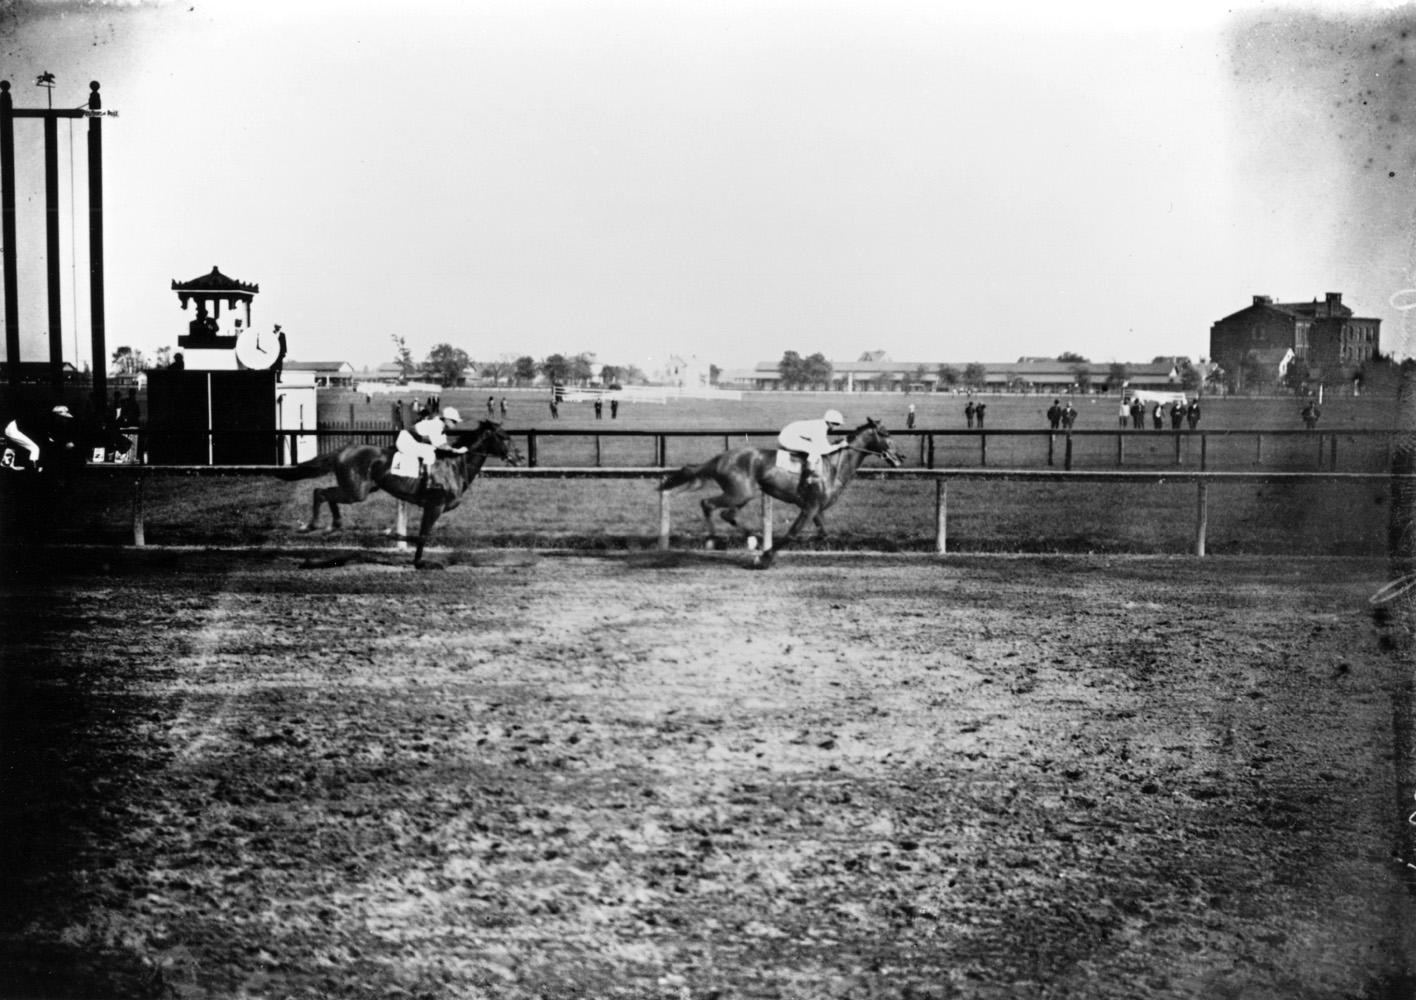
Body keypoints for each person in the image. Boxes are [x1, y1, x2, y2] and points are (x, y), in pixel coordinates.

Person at [777, 409, 849, 493]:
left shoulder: (822, 424)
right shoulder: (820, 428)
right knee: (814, 451)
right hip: (787, 437)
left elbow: (823, 445)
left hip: (791, 435)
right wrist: (839, 446)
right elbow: (824, 449)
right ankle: (804, 481)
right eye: (837, 424)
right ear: (830, 423)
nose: (838, 427)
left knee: (813, 448)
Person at [396, 405, 465, 490]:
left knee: (431, 450)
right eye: (454, 422)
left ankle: (426, 475)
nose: (455, 424)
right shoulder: (436, 426)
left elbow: (444, 445)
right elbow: (441, 446)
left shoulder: (441, 426)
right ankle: (426, 482)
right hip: (405, 441)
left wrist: (454, 450)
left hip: (412, 440)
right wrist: (457, 451)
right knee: (430, 453)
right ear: (447, 420)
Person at [3, 404, 75, 472]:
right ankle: (33, 470)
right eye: (63, 418)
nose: (65, 420)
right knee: (34, 448)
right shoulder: (45, 420)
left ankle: (5, 464)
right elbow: (43, 438)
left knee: (23, 445)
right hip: (14, 429)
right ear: (57, 416)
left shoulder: (51, 420)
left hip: (17, 428)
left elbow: (50, 435)